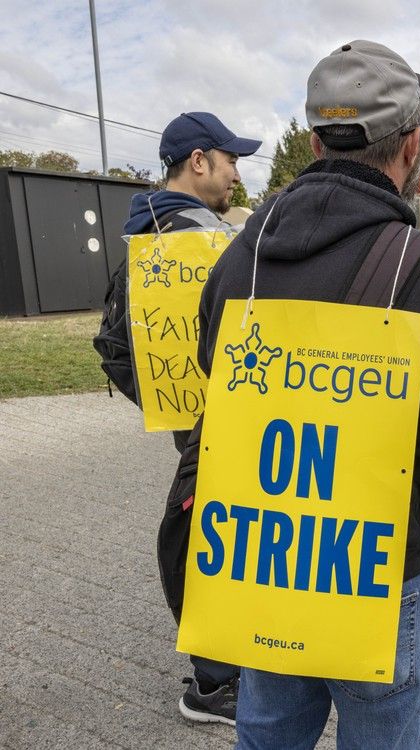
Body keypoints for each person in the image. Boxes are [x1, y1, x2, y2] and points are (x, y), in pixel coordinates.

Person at [194, 41, 420, 749]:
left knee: (267, 736)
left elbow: (222, 395)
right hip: (382, 582)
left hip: (267, 572)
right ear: (414, 147)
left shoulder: (238, 259)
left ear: (312, 140)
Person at [122, 111, 261, 725]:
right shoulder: (183, 236)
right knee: (200, 531)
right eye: (230, 159)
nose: (236, 172)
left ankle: (228, 664)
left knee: (215, 525)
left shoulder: (155, 225)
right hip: (216, 418)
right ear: (199, 160)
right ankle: (213, 685)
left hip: (200, 413)